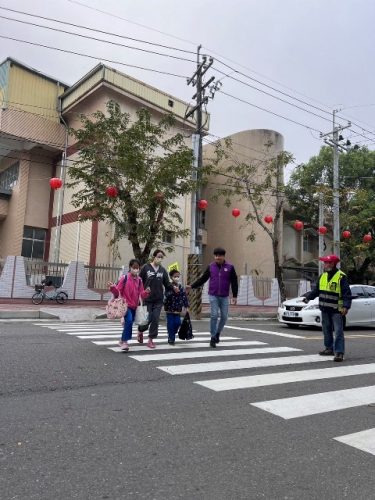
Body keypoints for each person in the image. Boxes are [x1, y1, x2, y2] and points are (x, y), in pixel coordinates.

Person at [303, 254, 352, 362]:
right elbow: (316, 291)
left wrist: (346, 306)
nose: (326, 264)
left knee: (338, 331)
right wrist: (307, 298)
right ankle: (329, 348)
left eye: (328, 262)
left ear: (334, 264)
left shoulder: (341, 277)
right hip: (324, 309)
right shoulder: (322, 276)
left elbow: (346, 294)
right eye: (325, 262)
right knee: (326, 330)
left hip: (336, 310)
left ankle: (339, 352)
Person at [187, 247, 238, 348]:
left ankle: (218, 333)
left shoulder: (230, 267)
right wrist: (192, 286)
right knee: (214, 315)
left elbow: (234, 282)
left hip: (224, 296)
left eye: (219, 255)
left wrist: (235, 296)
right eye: (216, 255)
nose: (217, 257)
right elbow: (203, 279)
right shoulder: (211, 266)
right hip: (213, 295)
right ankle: (213, 337)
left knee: (224, 317)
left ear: (224, 256)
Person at [138, 249, 177, 349]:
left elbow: (167, 284)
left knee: (155, 318)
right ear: (154, 257)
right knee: (147, 319)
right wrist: (140, 293)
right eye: (158, 256)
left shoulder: (162, 270)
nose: (160, 259)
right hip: (147, 298)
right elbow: (139, 281)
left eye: (161, 257)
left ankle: (150, 339)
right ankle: (140, 331)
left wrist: (174, 287)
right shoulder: (145, 268)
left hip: (159, 299)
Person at [108, 259, 150, 351]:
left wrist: (146, 292)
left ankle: (121, 340)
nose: (136, 270)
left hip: (135, 306)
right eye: (134, 268)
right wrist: (112, 288)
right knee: (129, 321)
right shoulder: (125, 278)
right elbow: (117, 291)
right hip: (125, 306)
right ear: (130, 267)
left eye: (137, 268)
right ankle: (125, 342)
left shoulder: (139, 280)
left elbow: (141, 294)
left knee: (129, 323)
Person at [164, 269, 189, 345]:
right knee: (170, 324)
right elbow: (166, 295)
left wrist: (186, 306)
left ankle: (173, 332)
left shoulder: (180, 286)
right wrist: (173, 291)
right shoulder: (169, 286)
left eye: (178, 276)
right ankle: (171, 338)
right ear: (171, 277)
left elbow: (184, 296)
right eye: (175, 276)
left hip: (178, 309)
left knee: (177, 323)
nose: (177, 278)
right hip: (169, 309)